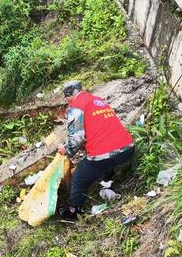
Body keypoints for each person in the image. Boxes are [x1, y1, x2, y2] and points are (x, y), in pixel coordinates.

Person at [57, 81, 135, 220]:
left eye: (66, 98)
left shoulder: (75, 106)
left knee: (79, 178)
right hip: (128, 148)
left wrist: (67, 150)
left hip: (105, 155)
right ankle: (107, 181)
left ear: (69, 96)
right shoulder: (98, 100)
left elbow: (77, 137)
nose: (67, 101)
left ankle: (74, 212)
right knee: (106, 160)